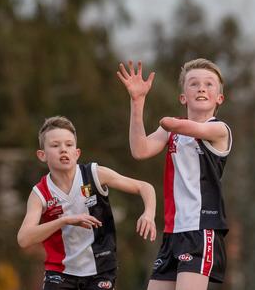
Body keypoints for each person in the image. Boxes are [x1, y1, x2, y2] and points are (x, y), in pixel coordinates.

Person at [116, 59, 232, 290]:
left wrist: (168, 124)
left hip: (201, 230)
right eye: (193, 84)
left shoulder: (219, 129)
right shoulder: (173, 129)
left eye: (209, 84)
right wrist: (137, 101)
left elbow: (184, 127)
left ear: (219, 98)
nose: (201, 88)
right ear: (183, 97)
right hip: (173, 232)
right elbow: (140, 150)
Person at [17, 116, 157, 290]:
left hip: (101, 270)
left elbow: (144, 187)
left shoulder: (95, 174)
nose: (63, 150)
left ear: (77, 153)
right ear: (42, 155)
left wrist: (148, 213)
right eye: (55, 145)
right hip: (60, 273)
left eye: (68, 145)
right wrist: (64, 220)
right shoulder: (40, 193)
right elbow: (24, 238)